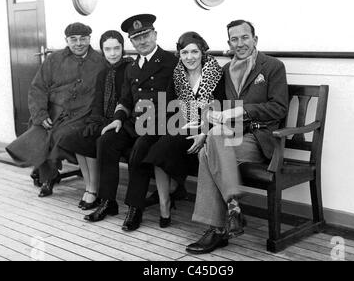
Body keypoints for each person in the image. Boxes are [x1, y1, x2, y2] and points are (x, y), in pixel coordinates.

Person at [185, 20, 289, 254]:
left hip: (259, 137)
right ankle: (231, 213)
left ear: (255, 39)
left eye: (244, 37)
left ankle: (218, 227)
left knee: (206, 153)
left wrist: (242, 110)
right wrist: (203, 130)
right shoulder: (225, 71)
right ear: (229, 43)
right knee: (209, 143)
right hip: (230, 136)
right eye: (234, 39)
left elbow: (279, 107)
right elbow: (216, 107)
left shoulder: (272, 66)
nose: (240, 43)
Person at [84, 14, 178, 226]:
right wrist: (118, 119)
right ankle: (108, 201)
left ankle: (135, 208)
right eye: (136, 38)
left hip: (161, 124)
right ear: (131, 41)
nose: (142, 41)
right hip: (135, 122)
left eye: (146, 35)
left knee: (139, 150)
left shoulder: (171, 62)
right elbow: (126, 99)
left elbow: (179, 99)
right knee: (105, 141)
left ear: (155, 34)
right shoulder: (132, 68)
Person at [6, 23, 106, 198]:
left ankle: (47, 176)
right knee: (38, 130)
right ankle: (46, 173)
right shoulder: (54, 59)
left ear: (90, 39)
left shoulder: (100, 63)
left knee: (59, 136)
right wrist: (40, 114)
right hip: (52, 113)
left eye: (83, 39)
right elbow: (38, 88)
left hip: (81, 116)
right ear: (66, 40)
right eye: (73, 39)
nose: (79, 43)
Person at [142, 32, 224, 228]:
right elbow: (169, 105)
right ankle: (165, 202)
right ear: (179, 54)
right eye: (185, 52)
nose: (190, 57)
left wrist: (205, 132)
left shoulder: (216, 73)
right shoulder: (178, 74)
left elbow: (223, 108)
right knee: (159, 145)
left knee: (163, 147)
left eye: (194, 51)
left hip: (208, 128)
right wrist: (173, 125)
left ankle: (174, 187)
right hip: (183, 126)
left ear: (202, 52)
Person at [58, 30, 133, 210]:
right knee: (77, 138)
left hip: (122, 121)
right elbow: (98, 100)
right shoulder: (103, 72)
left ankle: (95, 190)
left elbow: (128, 100)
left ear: (123, 48)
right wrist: (94, 121)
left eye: (117, 48)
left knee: (96, 141)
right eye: (108, 49)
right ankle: (89, 186)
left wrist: (114, 119)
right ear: (102, 50)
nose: (113, 53)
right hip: (103, 119)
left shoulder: (130, 68)